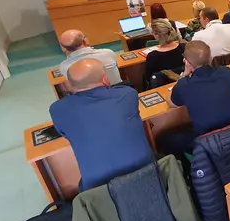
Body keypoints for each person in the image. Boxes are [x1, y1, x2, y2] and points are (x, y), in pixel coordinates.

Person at [49, 59, 153, 190]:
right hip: (147, 175)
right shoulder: (127, 94)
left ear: (69, 85)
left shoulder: (57, 109)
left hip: (100, 190)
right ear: (105, 79)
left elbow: (64, 133)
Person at [163, 41, 230, 155]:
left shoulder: (184, 85)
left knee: (168, 139)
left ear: (187, 63)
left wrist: (184, 75)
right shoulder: (226, 71)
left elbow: (171, 103)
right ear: (211, 58)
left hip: (207, 139)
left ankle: (187, 168)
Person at [144, 19, 185, 84]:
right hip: (183, 81)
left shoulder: (152, 56)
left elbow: (149, 78)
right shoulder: (184, 47)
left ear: (157, 36)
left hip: (162, 86)